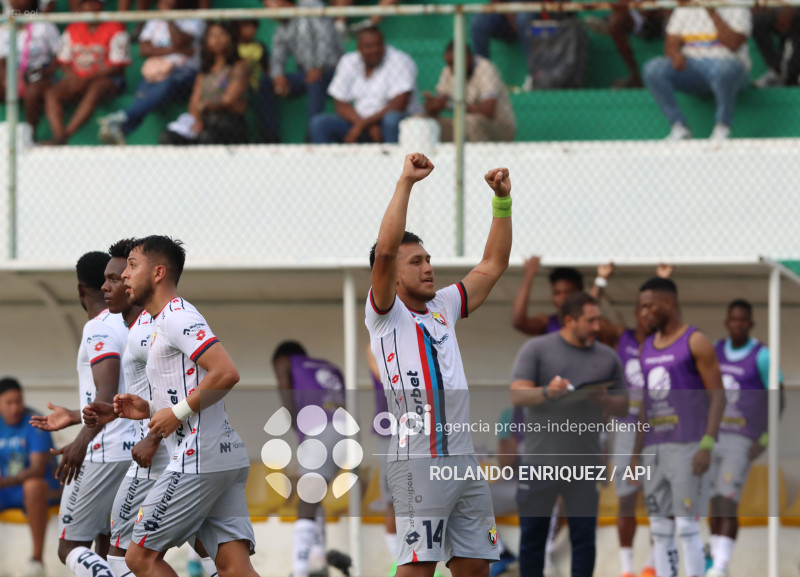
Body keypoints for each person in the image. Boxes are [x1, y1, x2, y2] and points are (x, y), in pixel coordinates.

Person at [366, 153, 512, 576]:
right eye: (417, 262)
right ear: (393, 274)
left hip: (464, 460)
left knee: (475, 567)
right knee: (418, 569)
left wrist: (502, 202)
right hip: (417, 461)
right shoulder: (384, 313)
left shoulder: (444, 305)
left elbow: (493, 264)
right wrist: (406, 183)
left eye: (429, 259)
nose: (429, 268)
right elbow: (386, 249)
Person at [113, 235, 259, 577]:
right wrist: (150, 409)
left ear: (159, 272)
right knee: (233, 567)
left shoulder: (178, 317)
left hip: (199, 456)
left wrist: (175, 414)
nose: (124, 275)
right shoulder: (159, 322)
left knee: (139, 559)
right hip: (220, 454)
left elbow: (225, 372)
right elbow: (188, 391)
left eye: (133, 266)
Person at [30, 251, 137, 577]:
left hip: (102, 451)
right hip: (133, 449)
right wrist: (75, 415)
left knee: (70, 547)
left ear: (79, 290)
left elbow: (106, 394)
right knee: (109, 543)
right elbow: (119, 397)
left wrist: (80, 442)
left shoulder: (98, 327)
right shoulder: (132, 324)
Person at [510, 292, 629, 577]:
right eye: (590, 320)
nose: (597, 327)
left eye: (598, 319)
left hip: (584, 466)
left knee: (584, 540)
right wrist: (548, 392)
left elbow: (623, 406)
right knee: (533, 539)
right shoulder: (537, 349)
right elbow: (517, 395)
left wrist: (604, 400)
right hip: (540, 463)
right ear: (569, 320)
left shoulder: (607, 357)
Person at [634, 277, 725, 577]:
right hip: (653, 448)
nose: (644, 313)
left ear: (668, 303)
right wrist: (637, 452)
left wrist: (707, 444)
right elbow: (645, 403)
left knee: (686, 525)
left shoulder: (694, 341)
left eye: (649, 306)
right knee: (659, 527)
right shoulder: (647, 346)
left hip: (687, 445)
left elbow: (718, 396)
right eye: (641, 307)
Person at [706, 299, 782, 577]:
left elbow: (779, 398)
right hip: (713, 436)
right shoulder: (715, 350)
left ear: (750, 323)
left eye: (743, 320)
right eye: (733, 319)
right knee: (714, 501)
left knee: (728, 498)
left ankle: (721, 564)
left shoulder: (762, 355)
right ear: (727, 322)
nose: (738, 324)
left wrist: (764, 439)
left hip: (742, 438)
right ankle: (715, 562)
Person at [271, 341, 352, 577]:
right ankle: (318, 562)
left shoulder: (286, 361)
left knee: (305, 502)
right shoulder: (330, 366)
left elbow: (285, 390)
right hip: (345, 431)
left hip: (321, 430)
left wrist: (295, 422)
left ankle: (301, 570)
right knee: (313, 496)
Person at [98, 0, 205, 145]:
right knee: (144, 93)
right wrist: (174, 50)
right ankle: (121, 128)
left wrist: (168, 17)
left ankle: (123, 119)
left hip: (185, 74)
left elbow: (179, 41)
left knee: (168, 82)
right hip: (157, 70)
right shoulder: (154, 19)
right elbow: (144, 49)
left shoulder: (195, 18)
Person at [643, 6, 752, 140]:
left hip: (729, 63)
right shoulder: (686, 7)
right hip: (692, 65)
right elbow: (671, 42)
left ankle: (723, 126)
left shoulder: (736, 5)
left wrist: (711, 11)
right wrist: (675, 54)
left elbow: (733, 44)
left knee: (723, 69)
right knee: (653, 69)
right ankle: (679, 128)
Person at [310, 26, 419, 144]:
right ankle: (325, 162)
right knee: (319, 123)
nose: (374, 50)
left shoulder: (400, 60)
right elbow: (341, 104)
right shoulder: (348, 62)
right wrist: (364, 125)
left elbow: (398, 105)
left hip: (394, 123)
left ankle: (394, 161)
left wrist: (363, 125)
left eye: (378, 45)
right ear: (359, 48)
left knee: (391, 120)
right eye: (368, 46)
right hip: (359, 122)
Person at [43, 0, 131, 145]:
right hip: (78, 77)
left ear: (101, 6)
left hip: (109, 79)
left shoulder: (116, 28)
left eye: (93, 3)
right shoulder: (73, 28)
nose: (88, 8)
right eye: (84, 4)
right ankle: (59, 135)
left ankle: (64, 136)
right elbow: (63, 62)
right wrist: (72, 76)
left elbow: (117, 67)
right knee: (51, 93)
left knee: (95, 89)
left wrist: (87, 78)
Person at [0, 378, 61, 577]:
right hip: (8, 490)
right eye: (9, 403)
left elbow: (36, 469)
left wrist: (4, 481)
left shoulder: (35, 420)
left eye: (18, 401)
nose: (15, 407)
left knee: (32, 485)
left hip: (44, 489)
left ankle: (37, 562)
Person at [258, 0, 342, 141]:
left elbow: (325, 39)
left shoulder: (311, 7)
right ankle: (270, 137)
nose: (269, 11)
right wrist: (277, 76)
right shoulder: (282, 27)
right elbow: (278, 55)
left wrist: (318, 66)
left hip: (332, 70)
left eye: (271, 5)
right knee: (266, 83)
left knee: (315, 81)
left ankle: (312, 137)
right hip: (306, 74)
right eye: (266, 7)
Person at [160, 22, 250, 145]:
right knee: (168, 138)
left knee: (207, 136)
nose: (216, 40)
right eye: (212, 36)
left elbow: (229, 100)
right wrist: (197, 119)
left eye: (221, 35)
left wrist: (206, 104)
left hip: (229, 123)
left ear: (231, 38)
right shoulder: (204, 72)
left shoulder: (240, 67)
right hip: (205, 122)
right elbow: (193, 103)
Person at [424, 42, 516, 143]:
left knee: (471, 121)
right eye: (449, 64)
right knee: (422, 121)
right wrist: (433, 106)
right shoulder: (448, 71)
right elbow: (439, 103)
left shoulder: (485, 68)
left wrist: (448, 105)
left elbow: (489, 110)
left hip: (499, 126)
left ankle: (479, 158)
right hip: (463, 124)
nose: (452, 68)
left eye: (455, 63)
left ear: (469, 58)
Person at [0, 0, 61, 136]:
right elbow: (2, 60)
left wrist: (48, 72)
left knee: (33, 91)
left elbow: (59, 55)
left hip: (39, 74)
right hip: (13, 74)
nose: (17, 1)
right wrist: (6, 79)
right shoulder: (4, 25)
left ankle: (30, 135)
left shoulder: (44, 25)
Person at [511, 258, 613, 336]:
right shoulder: (548, 323)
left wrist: (601, 279)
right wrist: (529, 275)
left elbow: (588, 310)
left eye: (568, 292)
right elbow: (518, 322)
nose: (563, 298)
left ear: (580, 292)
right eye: (557, 293)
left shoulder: (598, 324)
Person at [751, 7, 800, 87]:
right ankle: (776, 69)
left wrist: (789, 13)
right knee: (758, 21)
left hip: (794, 13)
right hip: (774, 11)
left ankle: (791, 77)